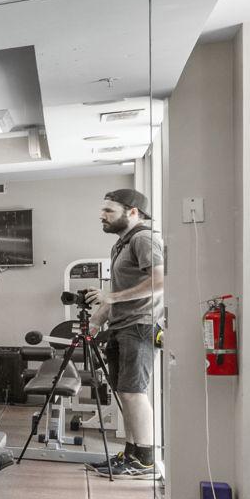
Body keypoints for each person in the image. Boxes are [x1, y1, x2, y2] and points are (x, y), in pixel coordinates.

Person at [89, 188, 164, 478]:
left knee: (134, 393)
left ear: (132, 212)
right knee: (125, 393)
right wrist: (96, 321)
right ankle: (132, 453)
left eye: (109, 210)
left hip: (140, 324)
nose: (102, 215)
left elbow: (160, 281)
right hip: (122, 325)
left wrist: (113, 299)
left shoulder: (145, 238)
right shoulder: (123, 243)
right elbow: (116, 293)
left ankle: (145, 458)